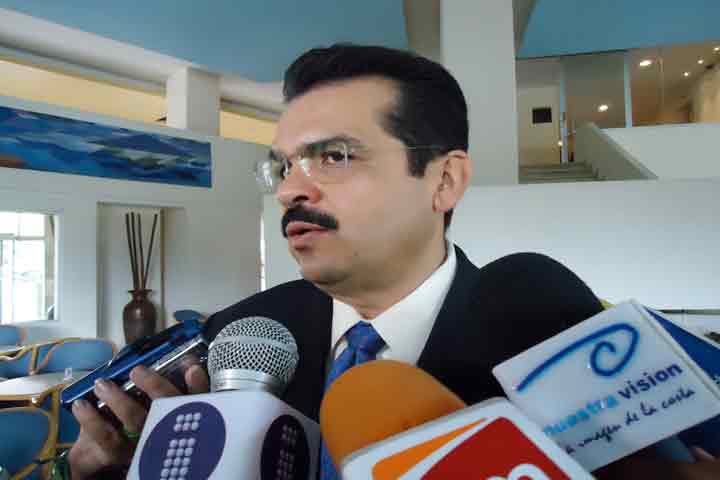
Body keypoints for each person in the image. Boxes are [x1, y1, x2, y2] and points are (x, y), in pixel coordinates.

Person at [67, 44, 717, 479]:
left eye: (335, 156)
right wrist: (107, 470)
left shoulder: (546, 324)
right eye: (284, 165)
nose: (292, 189)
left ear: (444, 180)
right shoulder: (247, 334)